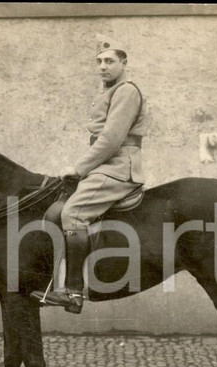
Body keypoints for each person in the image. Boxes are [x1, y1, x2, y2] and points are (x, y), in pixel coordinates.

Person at [32, 34, 149, 314]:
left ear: (124, 63)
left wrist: (78, 168)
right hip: (104, 166)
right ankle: (51, 283)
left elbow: (110, 139)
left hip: (119, 168)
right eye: (99, 61)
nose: (102, 66)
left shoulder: (126, 91)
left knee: (73, 214)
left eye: (109, 61)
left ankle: (73, 293)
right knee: (55, 208)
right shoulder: (108, 91)